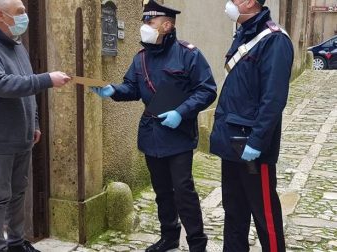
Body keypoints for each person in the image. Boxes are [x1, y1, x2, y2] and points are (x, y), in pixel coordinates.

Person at [92, 1, 217, 251]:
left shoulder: (188, 53)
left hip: (178, 134)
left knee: (183, 190)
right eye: (144, 22)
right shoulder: (141, 58)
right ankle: (169, 236)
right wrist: (113, 89)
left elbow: (207, 90)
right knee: (162, 191)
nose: (144, 27)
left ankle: (197, 243)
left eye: (150, 22)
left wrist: (181, 113)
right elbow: (132, 88)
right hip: (152, 134)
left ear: (167, 25)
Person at [0, 0, 71, 251]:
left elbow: (26, 87)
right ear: (1, 15)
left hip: (22, 135)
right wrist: (47, 79)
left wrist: (34, 122)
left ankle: (16, 243)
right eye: (20, 12)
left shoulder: (15, 42)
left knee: (19, 192)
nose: (25, 17)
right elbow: (2, 84)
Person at [210, 0, 294, 251]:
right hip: (232, 142)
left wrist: (257, 141)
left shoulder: (274, 40)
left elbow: (273, 99)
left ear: (249, 2)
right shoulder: (244, 34)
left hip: (252, 146)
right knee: (234, 209)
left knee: (264, 211)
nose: (229, 3)